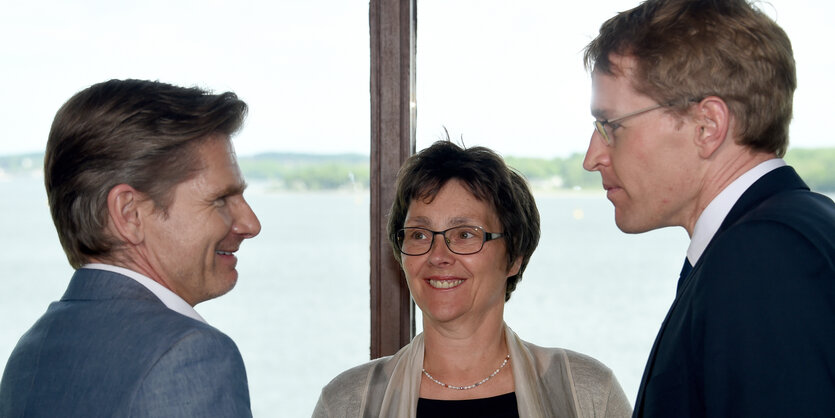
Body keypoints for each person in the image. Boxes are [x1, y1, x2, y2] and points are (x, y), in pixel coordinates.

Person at [582, 0, 835, 416]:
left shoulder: (764, 257)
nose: (592, 157)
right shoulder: (792, 232)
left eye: (610, 126)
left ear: (707, 126)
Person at [0, 79, 261, 417]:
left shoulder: (30, 353)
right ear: (130, 213)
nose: (251, 224)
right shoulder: (189, 354)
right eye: (221, 199)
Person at [314, 140, 631, 417]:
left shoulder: (587, 395)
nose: (438, 255)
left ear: (514, 256)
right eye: (420, 235)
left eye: (465, 234)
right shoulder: (348, 404)